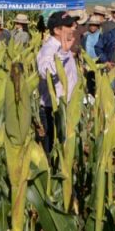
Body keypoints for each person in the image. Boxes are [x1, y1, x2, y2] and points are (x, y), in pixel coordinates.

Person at [37, 11, 80, 154]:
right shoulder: (50, 48)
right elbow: (44, 71)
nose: (73, 27)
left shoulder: (62, 47)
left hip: (65, 107)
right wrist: (62, 53)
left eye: (73, 23)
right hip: (54, 110)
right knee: (53, 153)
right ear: (56, 30)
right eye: (68, 25)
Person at [82, 13, 104, 95]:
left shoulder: (101, 35)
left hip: (98, 62)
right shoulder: (85, 36)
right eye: (91, 25)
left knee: (98, 82)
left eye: (94, 25)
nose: (92, 27)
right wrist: (83, 62)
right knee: (90, 83)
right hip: (88, 62)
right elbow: (83, 50)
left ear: (98, 26)